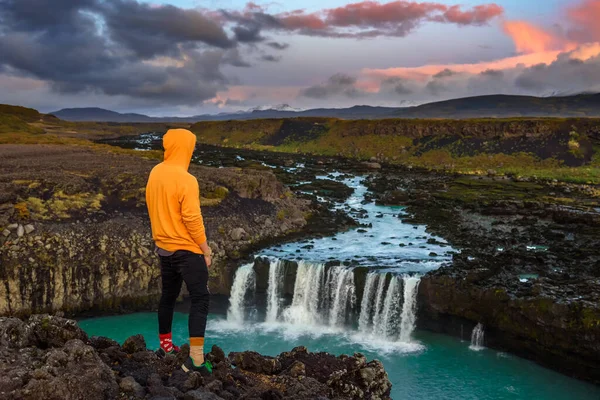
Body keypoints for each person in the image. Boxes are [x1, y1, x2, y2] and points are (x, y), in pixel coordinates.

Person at [145, 128, 213, 374]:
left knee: (168, 297)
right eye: (191, 147)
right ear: (184, 148)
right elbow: (192, 219)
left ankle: (165, 346)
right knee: (201, 299)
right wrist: (205, 249)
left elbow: (153, 206)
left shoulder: (155, 173)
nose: (192, 151)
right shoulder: (187, 180)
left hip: (164, 249)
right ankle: (196, 360)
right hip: (187, 250)